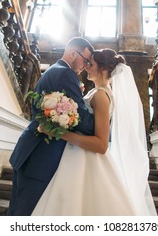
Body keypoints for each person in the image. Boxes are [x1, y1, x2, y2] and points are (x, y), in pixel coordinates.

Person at [32, 48, 157, 216]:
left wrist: (57, 132)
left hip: (86, 160)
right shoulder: (96, 92)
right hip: (76, 155)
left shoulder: (100, 95)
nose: (86, 67)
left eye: (91, 64)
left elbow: (101, 144)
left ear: (103, 69)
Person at [7, 37, 95, 216]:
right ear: (72, 53)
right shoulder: (65, 74)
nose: (86, 66)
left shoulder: (55, 70)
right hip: (40, 157)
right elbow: (80, 119)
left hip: (32, 151)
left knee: (19, 212)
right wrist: (104, 124)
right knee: (23, 215)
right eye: (85, 60)